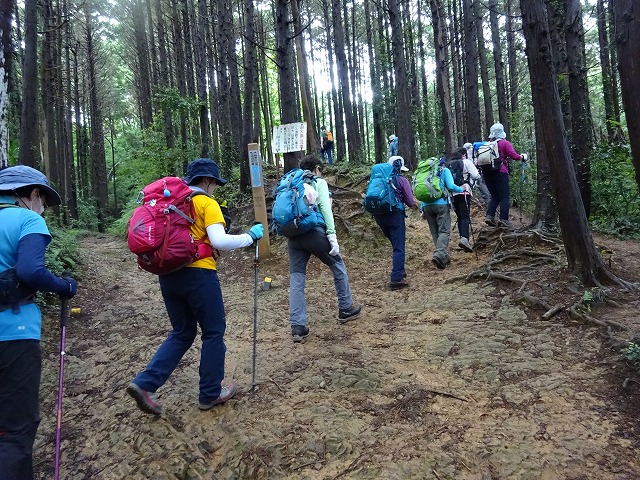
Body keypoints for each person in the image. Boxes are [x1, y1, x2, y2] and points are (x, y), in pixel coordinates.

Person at [126, 158, 264, 415]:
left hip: (168, 275)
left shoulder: (171, 204)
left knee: (182, 332)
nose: (215, 188)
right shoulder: (205, 203)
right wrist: (250, 237)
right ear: (208, 181)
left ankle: (144, 384)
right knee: (213, 332)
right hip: (199, 274)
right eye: (215, 183)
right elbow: (219, 241)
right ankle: (210, 393)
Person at [0, 165, 78, 480]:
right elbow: (30, 271)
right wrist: (64, 286)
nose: (43, 208)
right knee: (15, 428)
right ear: (32, 194)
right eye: (43, 201)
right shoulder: (27, 219)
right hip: (13, 332)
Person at [288, 155, 361, 343]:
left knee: (297, 278)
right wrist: (332, 235)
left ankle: (298, 326)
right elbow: (326, 210)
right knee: (337, 265)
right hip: (314, 232)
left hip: (294, 235)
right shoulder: (318, 182)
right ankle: (345, 308)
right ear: (316, 169)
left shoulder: (292, 183)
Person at [372, 156, 417, 290]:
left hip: (379, 216)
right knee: (399, 247)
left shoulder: (378, 179)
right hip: (395, 215)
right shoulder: (401, 180)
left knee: (395, 244)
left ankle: (400, 269)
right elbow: (410, 202)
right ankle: (396, 279)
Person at [420, 159, 470, 269]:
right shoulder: (443, 170)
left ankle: (443, 256)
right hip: (441, 204)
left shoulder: (423, 173)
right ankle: (439, 254)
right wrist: (461, 189)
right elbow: (451, 186)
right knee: (444, 231)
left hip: (426, 206)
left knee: (435, 231)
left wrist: (421, 208)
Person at [481, 123, 526, 228]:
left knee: (495, 196)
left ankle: (490, 216)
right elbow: (514, 156)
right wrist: (522, 157)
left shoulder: (487, 145)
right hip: (500, 172)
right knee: (504, 197)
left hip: (487, 174)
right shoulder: (504, 143)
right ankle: (504, 219)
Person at [447, 148, 480, 253]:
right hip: (464, 191)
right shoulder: (466, 162)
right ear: (463, 155)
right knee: (465, 216)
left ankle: (463, 238)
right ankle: (464, 239)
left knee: (460, 217)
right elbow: (476, 175)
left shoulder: (448, 165)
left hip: (453, 193)